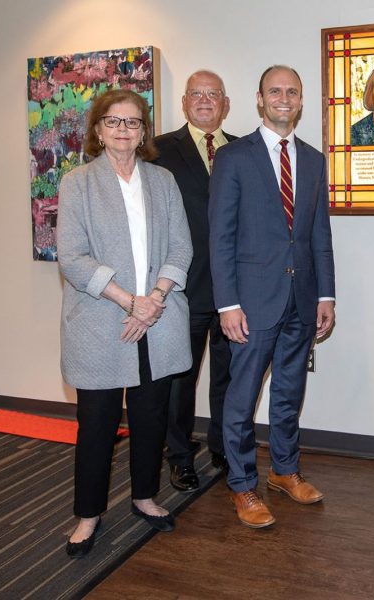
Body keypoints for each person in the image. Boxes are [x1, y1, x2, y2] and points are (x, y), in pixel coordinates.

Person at [57, 88, 193, 558]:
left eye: (133, 123)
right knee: (96, 423)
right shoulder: (77, 183)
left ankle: (144, 496)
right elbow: (71, 257)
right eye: (113, 121)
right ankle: (88, 514)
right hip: (100, 323)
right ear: (98, 130)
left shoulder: (162, 181)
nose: (123, 130)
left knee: (151, 416)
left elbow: (181, 248)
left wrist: (153, 300)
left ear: (143, 132)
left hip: (157, 320)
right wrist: (126, 300)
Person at [209, 65, 336, 529]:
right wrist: (227, 304)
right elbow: (220, 236)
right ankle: (243, 486)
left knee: (288, 393)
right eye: (275, 91)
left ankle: (284, 471)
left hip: (301, 298)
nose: (284, 98)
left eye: (293, 92)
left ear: (301, 101)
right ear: (259, 99)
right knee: (241, 400)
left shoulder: (314, 159)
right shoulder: (233, 157)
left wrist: (326, 294)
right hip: (250, 303)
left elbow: (319, 233)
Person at [153, 70, 236, 492]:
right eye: (197, 94)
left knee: (230, 377)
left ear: (225, 104)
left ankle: (223, 447)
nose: (205, 101)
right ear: (185, 103)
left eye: (213, 94)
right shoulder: (159, 150)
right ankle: (180, 456)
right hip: (182, 289)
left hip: (234, 292)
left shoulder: (244, 151)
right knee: (179, 381)